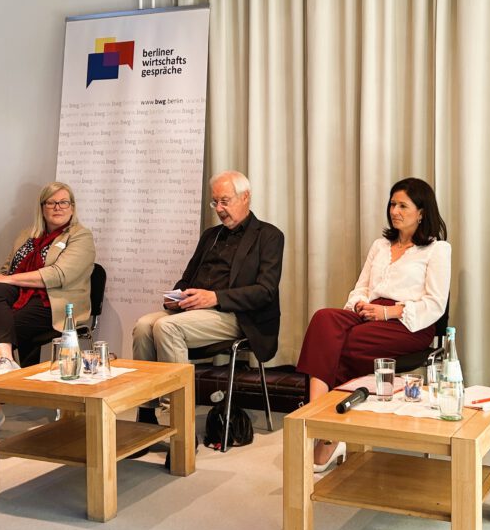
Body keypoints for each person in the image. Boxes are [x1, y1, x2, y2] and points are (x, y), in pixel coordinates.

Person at [296, 177, 450, 472]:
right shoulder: (381, 245)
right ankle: (320, 418)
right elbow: (361, 288)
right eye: (392, 204)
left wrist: (387, 313)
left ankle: (326, 432)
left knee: (341, 344)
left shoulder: (437, 250)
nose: (395, 211)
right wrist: (359, 305)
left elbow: (435, 304)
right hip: (367, 313)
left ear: (421, 212)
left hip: (408, 323)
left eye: (403, 205)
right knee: (323, 319)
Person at [132, 170, 284, 425]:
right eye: (216, 203)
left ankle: (180, 423)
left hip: (238, 316)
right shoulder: (211, 236)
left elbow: (265, 291)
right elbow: (187, 278)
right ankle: (146, 415)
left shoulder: (268, 236)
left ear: (245, 197)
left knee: (166, 327)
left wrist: (215, 297)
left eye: (225, 201)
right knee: (144, 325)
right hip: (194, 312)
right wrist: (175, 297)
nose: (220, 209)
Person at [0, 182, 94, 444]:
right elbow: (8, 269)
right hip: (22, 297)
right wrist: (1, 280)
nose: (57, 208)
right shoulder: (27, 235)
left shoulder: (80, 236)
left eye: (63, 202)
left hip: (56, 304)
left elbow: (58, 275)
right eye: (51, 203)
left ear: (72, 207)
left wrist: (8, 280)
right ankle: (5, 364)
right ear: (42, 208)